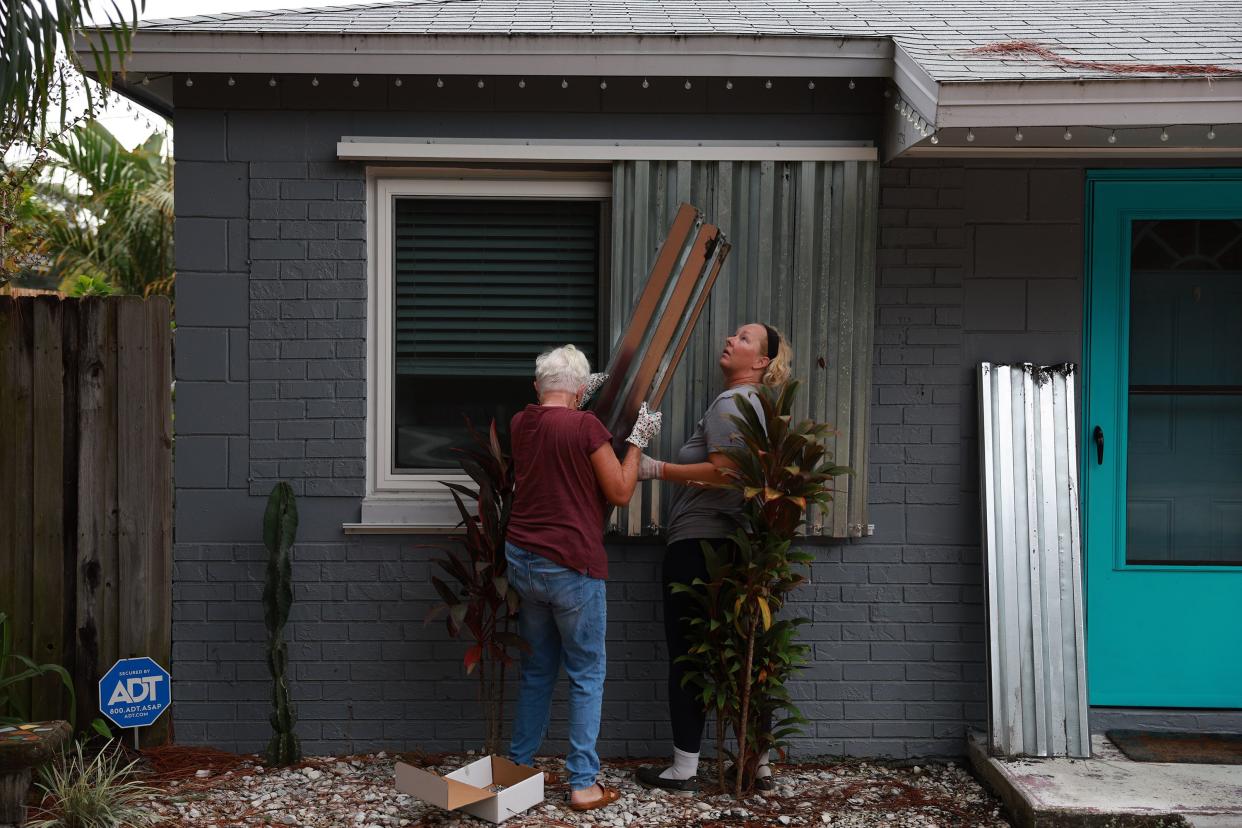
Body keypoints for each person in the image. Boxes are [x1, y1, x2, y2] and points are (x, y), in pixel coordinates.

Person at [634, 322, 792, 794]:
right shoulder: (761, 408)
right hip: (735, 549)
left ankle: (683, 769)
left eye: (745, 339)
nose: (730, 340)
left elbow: (726, 473)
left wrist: (655, 468)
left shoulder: (732, 403)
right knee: (739, 656)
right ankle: (756, 764)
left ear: (761, 362)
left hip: (700, 547)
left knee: (687, 655)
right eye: (734, 335)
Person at [505, 344, 662, 811]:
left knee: (537, 671)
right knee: (587, 673)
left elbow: (555, 425)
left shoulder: (521, 423)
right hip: (572, 564)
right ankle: (582, 784)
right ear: (579, 391)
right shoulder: (585, 426)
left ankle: (517, 771)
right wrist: (637, 441)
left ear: (538, 387)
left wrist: (574, 392)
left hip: (524, 561)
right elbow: (618, 490)